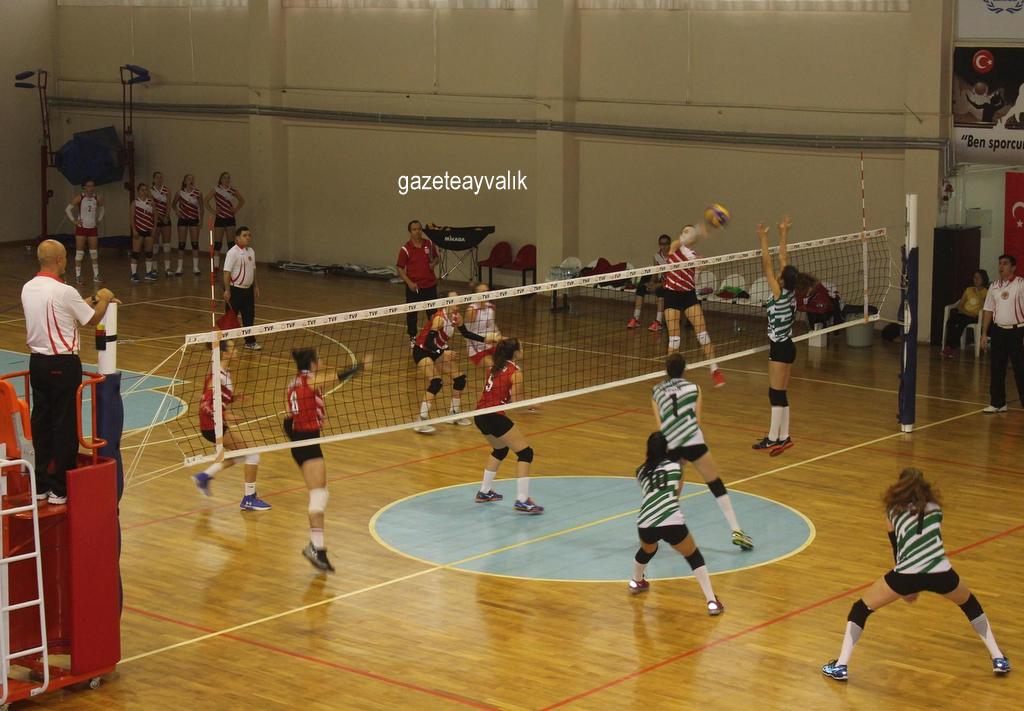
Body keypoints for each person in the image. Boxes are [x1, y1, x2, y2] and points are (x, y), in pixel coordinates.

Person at [821, 468, 1010, 681]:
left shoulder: (892, 511)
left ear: (899, 487)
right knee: (970, 605)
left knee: (860, 609)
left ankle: (841, 666)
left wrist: (907, 588)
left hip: (906, 573)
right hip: (941, 571)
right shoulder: (936, 509)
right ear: (924, 487)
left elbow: (897, 548)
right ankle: (998, 658)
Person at [21, 240, 118, 504]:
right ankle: (60, 488)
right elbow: (92, 318)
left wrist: (90, 300)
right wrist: (105, 297)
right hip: (62, 364)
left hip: (37, 363)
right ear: (59, 260)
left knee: (41, 421)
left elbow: (68, 310)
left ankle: (40, 484)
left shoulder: (28, 287)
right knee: (64, 424)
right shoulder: (64, 291)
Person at [652, 353, 752, 550]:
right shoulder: (694, 388)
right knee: (715, 483)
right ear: (685, 369)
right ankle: (736, 530)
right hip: (693, 440)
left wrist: (676, 450)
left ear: (666, 370)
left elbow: (660, 424)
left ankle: (659, 530)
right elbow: (697, 421)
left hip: (671, 443)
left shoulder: (656, 391)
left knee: (672, 489)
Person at [284, 348, 365, 573]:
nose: (322, 361)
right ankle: (316, 548)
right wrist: (359, 366)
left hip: (301, 441)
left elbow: (288, 418)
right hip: (308, 441)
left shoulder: (291, 384)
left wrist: (296, 441)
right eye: (319, 358)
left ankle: (317, 548)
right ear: (312, 363)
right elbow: (338, 377)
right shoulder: (310, 380)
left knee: (320, 494)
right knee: (319, 496)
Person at [628, 431, 724, 615]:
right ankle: (711, 601)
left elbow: (650, 492)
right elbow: (675, 495)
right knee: (693, 556)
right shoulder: (676, 467)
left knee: (648, 549)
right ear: (667, 448)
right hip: (671, 520)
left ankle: (636, 580)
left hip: (645, 522)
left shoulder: (640, 471)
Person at [752, 217, 815, 455]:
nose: (776, 275)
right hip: (788, 346)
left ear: (781, 280)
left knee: (775, 393)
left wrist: (763, 238)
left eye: (779, 275)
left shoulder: (778, 293)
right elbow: (783, 259)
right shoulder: (790, 291)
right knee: (780, 392)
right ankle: (784, 436)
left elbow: (767, 264)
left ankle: (773, 438)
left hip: (780, 348)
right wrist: (783, 233)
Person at [191, 339, 271, 511]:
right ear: (225, 353)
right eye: (233, 348)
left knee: (242, 455)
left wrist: (234, 398)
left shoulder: (224, 372)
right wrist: (225, 414)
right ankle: (249, 499)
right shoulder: (217, 376)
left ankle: (204, 476)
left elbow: (219, 397)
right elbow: (206, 404)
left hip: (216, 424)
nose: (236, 350)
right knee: (252, 454)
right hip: (212, 426)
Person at [473, 338, 543, 514]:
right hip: (494, 417)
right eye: (521, 347)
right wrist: (533, 406)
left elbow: (503, 397)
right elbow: (518, 406)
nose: (523, 349)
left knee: (500, 450)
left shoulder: (494, 367)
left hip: (480, 416)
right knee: (525, 453)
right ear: (516, 352)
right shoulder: (516, 373)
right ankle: (522, 501)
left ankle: (484, 492)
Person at [412, 292, 499, 433]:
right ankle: (421, 420)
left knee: (460, 379)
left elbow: (466, 333)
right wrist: (442, 352)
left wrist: (485, 339)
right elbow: (428, 342)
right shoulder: (439, 319)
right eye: (454, 300)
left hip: (437, 351)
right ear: (447, 302)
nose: (458, 302)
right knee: (436, 382)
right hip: (422, 351)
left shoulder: (456, 317)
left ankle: (453, 414)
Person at [663, 217, 725, 387]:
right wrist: (697, 229)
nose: (687, 234)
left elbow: (695, 277)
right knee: (674, 339)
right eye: (685, 231)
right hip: (672, 295)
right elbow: (680, 241)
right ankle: (671, 377)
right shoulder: (674, 248)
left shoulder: (696, 257)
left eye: (689, 232)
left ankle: (715, 370)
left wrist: (697, 266)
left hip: (688, 295)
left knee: (703, 334)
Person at [980, 254, 1024, 413]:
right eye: (1000, 263)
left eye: (1005, 263)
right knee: (997, 367)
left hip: (1017, 331)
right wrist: (984, 333)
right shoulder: (994, 286)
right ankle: (998, 403)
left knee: (1020, 368)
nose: (1001, 266)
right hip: (998, 331)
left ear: (1013, 267)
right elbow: (988, 310)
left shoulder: (1021, 284)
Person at [397, 220, 440, 346]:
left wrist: (434, 263)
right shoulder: (405, 249)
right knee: (412, 314)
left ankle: (433, 337)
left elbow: (437, 258)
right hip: (414, 288)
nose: (417, 232)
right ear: (410, 232)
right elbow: (399, 268)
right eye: (414, 229)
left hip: (430, 285)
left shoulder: (429, 244)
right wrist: (409, 283)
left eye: (419, 229)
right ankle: (412, 337)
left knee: (433, 314)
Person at [223, 226, 260, 351]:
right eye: (245, 235)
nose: (248, 237)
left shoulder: (251, 251)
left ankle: (250, 342)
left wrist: (255, 286)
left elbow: (253, 270)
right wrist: (227, 290)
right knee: (230, 317)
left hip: (248, 291)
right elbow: (226, 273)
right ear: (237, 238)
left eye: (249, 235)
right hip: (235, 291)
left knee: (249, 316)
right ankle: (226, 343)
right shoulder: (232, 253)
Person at [65, 178, 104, 285]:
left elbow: (102, 209)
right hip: (81, 228)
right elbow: (68, 209)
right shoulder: (80, 197)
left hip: (92, 228)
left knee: (94, 252)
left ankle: (96, 275)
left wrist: (99, 220)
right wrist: (74, 221)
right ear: (84, 187)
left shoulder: (97, 198)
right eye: (89, 186)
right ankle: (78, 276)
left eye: (92, 186)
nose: (91, 188)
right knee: (79, 252)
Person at [627, 234, 671, 332]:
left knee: (660, 290)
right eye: (661, 244)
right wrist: (651, 283)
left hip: (671, 283)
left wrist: (658, 285)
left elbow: (673, 278)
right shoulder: (657, 256)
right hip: (661, 279)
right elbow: (655, 272)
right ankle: (635, 318)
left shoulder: (673, 257)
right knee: (641, 286)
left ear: (669, 245)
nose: (663, 246)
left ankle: (658, 322)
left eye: (666, 244)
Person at [942, 270, 989, 358]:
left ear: (983, 279)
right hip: (965, 314)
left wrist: (979, 295)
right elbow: (960, 305)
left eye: (978, 278)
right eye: (974, 277)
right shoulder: (968, 289)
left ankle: (952, 348)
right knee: (951, 321)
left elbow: (986, 307)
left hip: (975, 316)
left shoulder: (986, 292)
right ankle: (949, 347)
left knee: (960, 324)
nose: (976, 280)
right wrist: (965, 312)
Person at [206, 172, 245, 271]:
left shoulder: (232, 189)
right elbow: (206, 201)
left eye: (228, 178)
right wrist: (213, 211)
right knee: (218, 243)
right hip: (219, 218)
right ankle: (216, 266)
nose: (226, 180)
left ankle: (231, 265)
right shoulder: (216, 189)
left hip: (230, 218)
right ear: (221, 179)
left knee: (231, 244)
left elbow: (242, 200)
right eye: (224, 178)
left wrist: (235, 210)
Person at [171, 173, 203, 276]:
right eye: (189, 179)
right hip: (183, 220)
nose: (191, 181)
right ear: (185, 182)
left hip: (194, 219)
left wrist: (201, 220)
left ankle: (195, 267)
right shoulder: (179, 193)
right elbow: (173, 204)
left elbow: (201, 208)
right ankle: (179, 267)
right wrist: (177, 211)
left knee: (195, 244)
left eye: (192, 179)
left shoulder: (198, 193)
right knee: (181, 244)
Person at [465, 282, 498, 368]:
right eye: (483, 292)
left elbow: (493, 327)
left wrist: (499, 337)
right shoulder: (472, 310)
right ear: (476, 294)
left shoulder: (491, 307)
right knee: (494, 366)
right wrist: (485, 339)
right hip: (476, 349)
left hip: (491, 345)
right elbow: (467, 334)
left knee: (509, 361)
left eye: (487, 291)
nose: (486, 294)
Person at [130, 182, 157, 283]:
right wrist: (134, 230)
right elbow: (132, 218)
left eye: (146, 190)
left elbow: (155, 216)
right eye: (142, 190)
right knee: (135, 253)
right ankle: (134, 274)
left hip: (149, 230)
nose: (144, 192)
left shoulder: (151, 202)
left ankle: (148, 272)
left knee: (149, 253)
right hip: (138, 230)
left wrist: (154, 228)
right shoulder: (135, 203)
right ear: (138, 191)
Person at [151, 171, 175, 277]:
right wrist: (160, 217)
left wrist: (166, 216)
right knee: (155, 245)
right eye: (157, 177)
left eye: (161, 177)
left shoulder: (167, 190)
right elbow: (153, 207)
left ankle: (167, 268)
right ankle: (154, 268)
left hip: (166, 219)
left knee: (166, 244)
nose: (159, 179)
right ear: (153, 179)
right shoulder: (150, 191)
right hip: (155, 220)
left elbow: (168, 205)